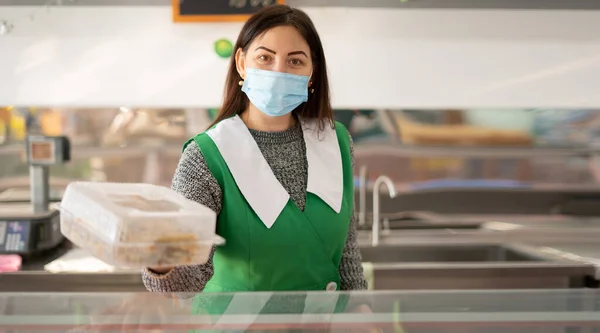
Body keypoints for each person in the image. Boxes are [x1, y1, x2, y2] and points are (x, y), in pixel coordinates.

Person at [142, 3, 369, 311]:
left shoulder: (335, 141)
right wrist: (160, 261)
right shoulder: (208, 156)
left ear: (312, 72)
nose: (279, 72)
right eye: (265, 57)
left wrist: (361, 309)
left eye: (295, 61)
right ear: (241, 63)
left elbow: (346, 251)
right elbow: (186, 281)